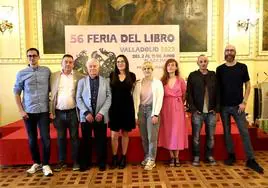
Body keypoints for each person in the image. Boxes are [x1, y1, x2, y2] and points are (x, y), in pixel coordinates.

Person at [216, 44, 264, 174]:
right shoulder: (219, 69)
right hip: (224, 107)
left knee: (244, 132)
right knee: (227, 133)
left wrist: (244, 102)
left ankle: (251, 160)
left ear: (235, 53)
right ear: (224, 53)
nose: (229, 52)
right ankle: (231, 155)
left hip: (239, 107)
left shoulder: (242, 67)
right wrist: (217, 108)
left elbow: (248, 85)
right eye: (227, 50)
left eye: (231, 50)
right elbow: (218, 89)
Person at [13, 48, 53, 176]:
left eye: (34, 55)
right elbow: (17, 93)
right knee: (32, 139)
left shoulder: (46, 71)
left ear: (39, 57)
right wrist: (21, 110)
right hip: (29, 112)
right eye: (29, 56)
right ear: (27, 57)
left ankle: (46, 164)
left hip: (44, 111)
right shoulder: (21, 73)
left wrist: (52, 110)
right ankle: (36, 162)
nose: (32, 58)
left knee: (46, 139)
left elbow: (53, 90)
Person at [50, 54, 84, 172]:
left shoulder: (80, 76)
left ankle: (76, 162)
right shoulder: (53, 76)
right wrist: (51, 111)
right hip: (58, 113)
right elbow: (49, 95)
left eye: (70, 62)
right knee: (61, 138)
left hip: (73, 112)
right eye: (66, 62)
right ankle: (61, 162)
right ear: (62, 63)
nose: (68, 64)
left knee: (75, 138)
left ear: (73, 64)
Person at [76, 58, 111, 171]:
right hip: (86, 117)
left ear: (98, 67)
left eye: (95, 66)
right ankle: (85, 163)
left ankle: (101, 163)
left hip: (100, 116)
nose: (93, 68)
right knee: (86, 141)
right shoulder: (82, 82)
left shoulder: (105, 81)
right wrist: (86, 113)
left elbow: (109, 97)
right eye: (90, 66)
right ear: (87, 68)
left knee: (101, 140)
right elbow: (78, 98)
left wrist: (101, 112)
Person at [186, 54, 218, 166]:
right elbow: (189, 94)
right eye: (201, 61)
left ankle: (209, 155)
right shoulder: (193, 75)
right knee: (196, 137)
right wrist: (193, 109)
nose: (203, 63)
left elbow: (219, 93)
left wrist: (216, 109)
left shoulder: (213, 75)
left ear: (207, 62)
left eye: (205, 61)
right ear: (198, 63)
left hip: (211, 112)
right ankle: (196, 156)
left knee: (211, 136)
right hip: (197, 112)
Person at [133, 61, 164, 170]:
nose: (147, 70)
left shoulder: (157, 83)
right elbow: (135, 99)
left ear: (152, 70)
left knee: (152, 137)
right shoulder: (138, 83)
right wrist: (136, 115)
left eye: (149, 68)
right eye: (145, 68)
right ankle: (147, 156)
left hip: (152, 111)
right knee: (144, 137)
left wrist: (155, 114)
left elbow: (160, 99)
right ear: (142, 70)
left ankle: (152, 159)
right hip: (141, 110)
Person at [158, 58, 188, 167]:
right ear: (166, 68)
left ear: (176, 67)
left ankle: (177, 157)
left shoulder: (180, 80)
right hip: (165, 108)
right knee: (168, 131)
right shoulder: (162, 81)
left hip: (178, 108)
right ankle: (171, 156)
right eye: (168, 65)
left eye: (173, 65)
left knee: (177, 131)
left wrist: (180, 104)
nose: (170, 67)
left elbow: (184, 94)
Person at [109, 54, 136, 169]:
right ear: (116, 63)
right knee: (114, 135)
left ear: (126, 63)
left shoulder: (132, 76)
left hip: (127, 108)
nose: (120, 63)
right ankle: (115, 157)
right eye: (118, 61)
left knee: (125, 133)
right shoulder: (111, 75)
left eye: (122, 61)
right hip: (114, 108)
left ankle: (123, 157)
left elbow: (134, 93)